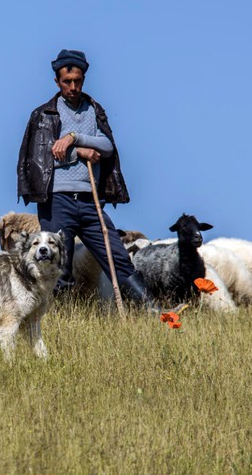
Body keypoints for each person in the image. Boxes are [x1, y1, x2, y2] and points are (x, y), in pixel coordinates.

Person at [17, 49, 155, 310]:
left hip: (91, 202)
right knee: (61, 265)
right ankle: (61, 322)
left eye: (78, 81)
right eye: (67, 82)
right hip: (57, 200)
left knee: (117, 256)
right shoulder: (43, 115)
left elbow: (107, 145)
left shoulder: (94, 110)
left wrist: (74, 138)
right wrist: (78, 153)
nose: (73, 87)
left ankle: (154, 311)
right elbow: (41, 157)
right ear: (57, 82)